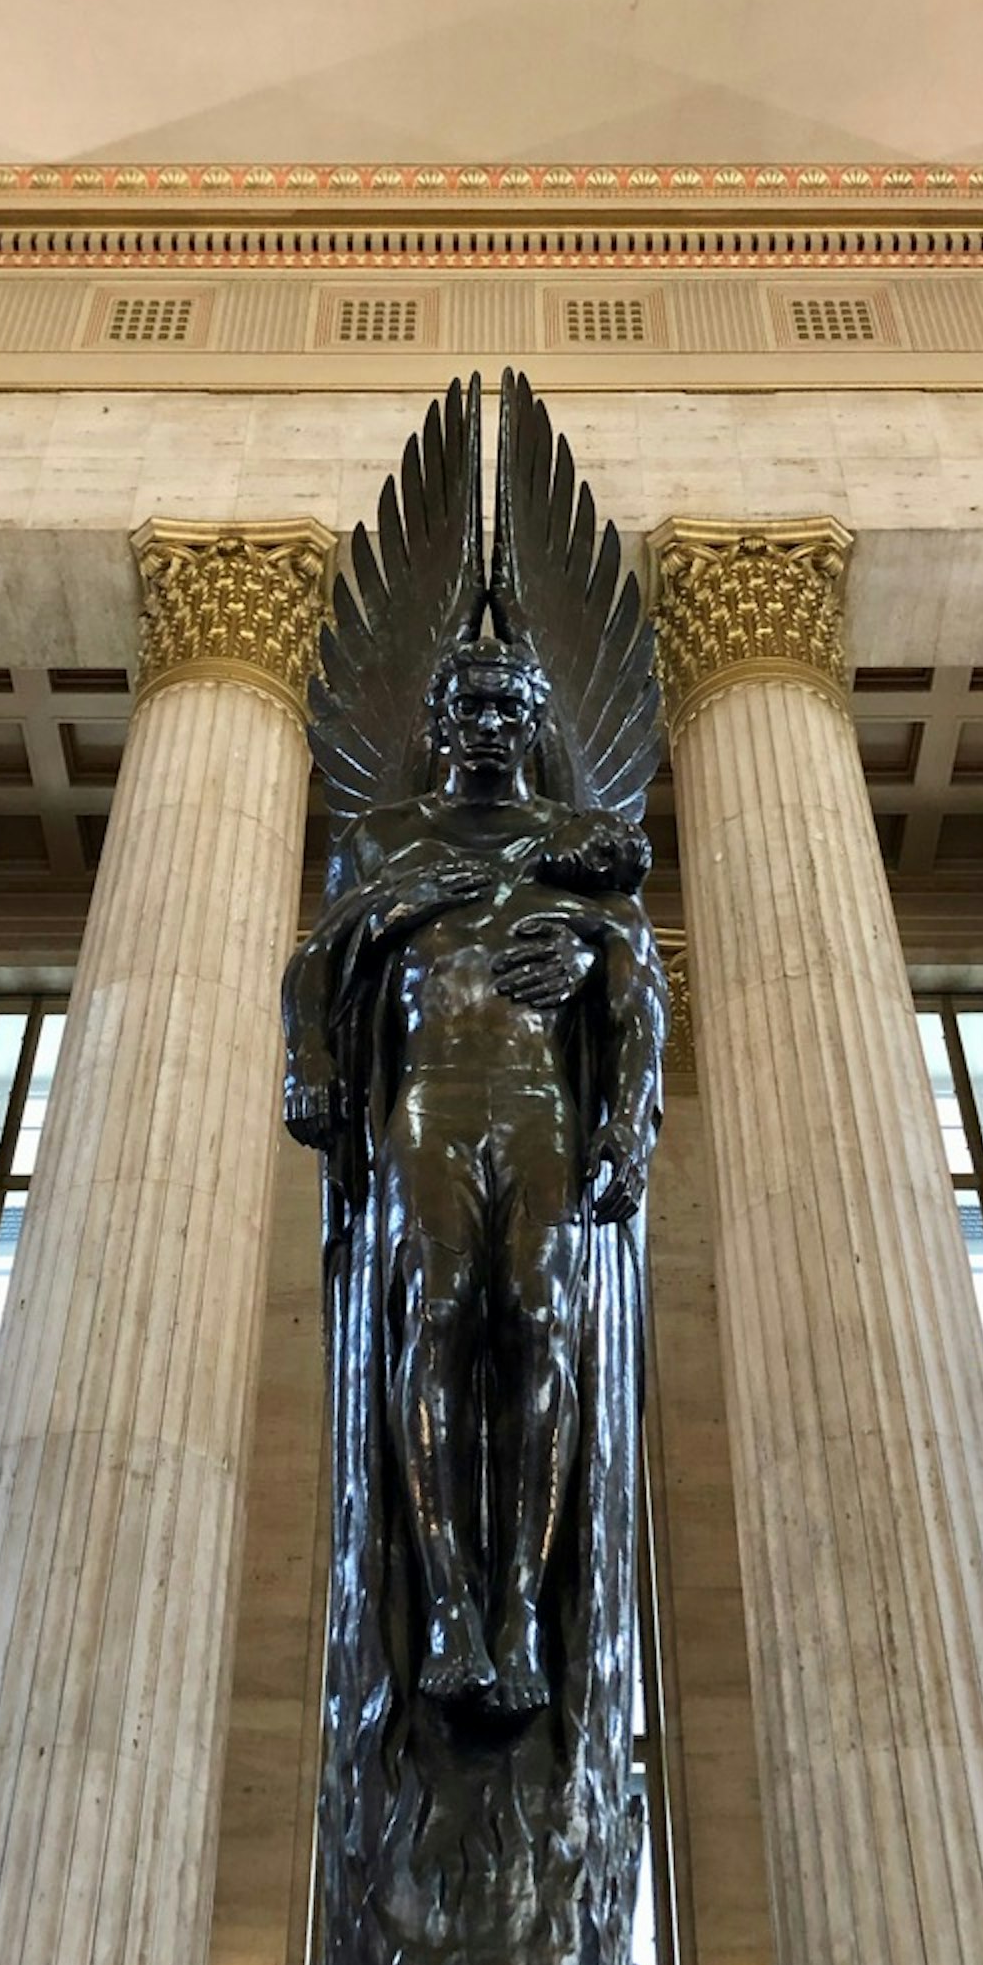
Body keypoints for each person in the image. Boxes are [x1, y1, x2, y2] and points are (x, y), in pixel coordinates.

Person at [283, 636, 665, 1716]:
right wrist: (314, 1055)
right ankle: (449, 1608)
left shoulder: (584, 849)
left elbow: (640, 977)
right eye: (472, 706)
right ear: (439, 723)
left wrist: (627, 1119)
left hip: (537, 1102)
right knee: (436, 1323)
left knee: (543, 1327)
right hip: (428, 1105)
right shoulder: (384, 837)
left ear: (535, 722)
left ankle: (519, 1621)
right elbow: (319, 962)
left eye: (509, 706)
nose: (490, 724)